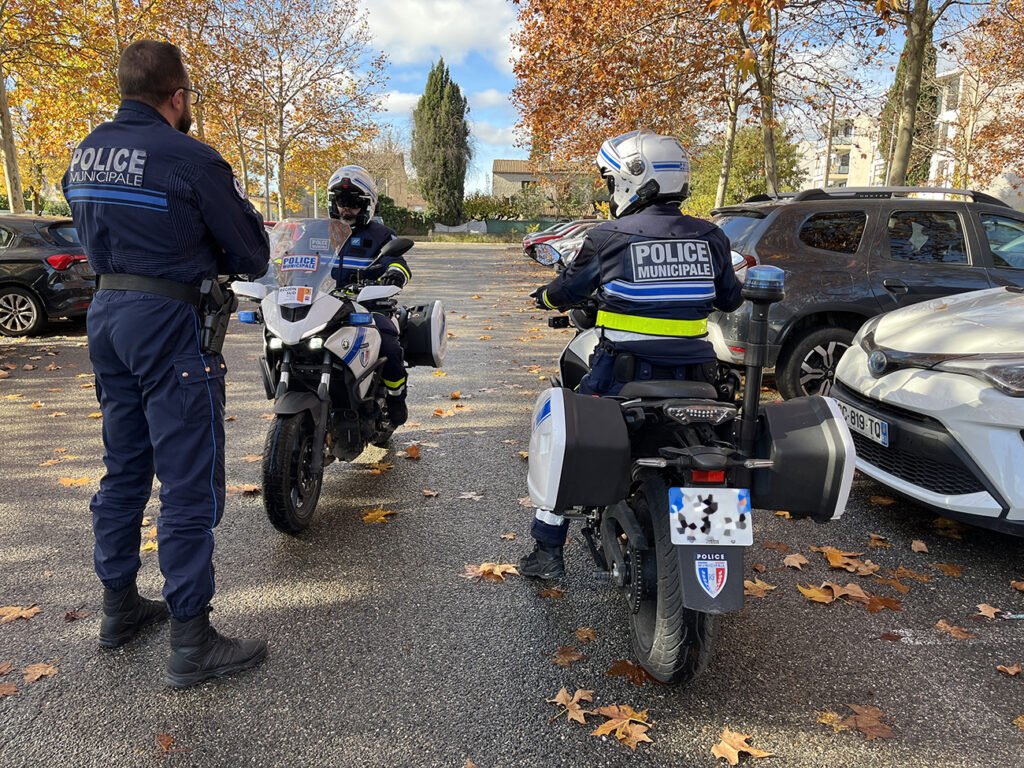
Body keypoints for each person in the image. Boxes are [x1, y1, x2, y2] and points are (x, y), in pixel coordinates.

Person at [62, 40, 271, 687]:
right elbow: (251, 253)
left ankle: (119, 608)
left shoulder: (85, 152)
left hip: (107, 317)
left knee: (124, 467)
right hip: (169, 325)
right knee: (187, 482)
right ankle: (191, 641)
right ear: (177, 96)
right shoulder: (190, 157)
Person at [520, 129, 744, 580]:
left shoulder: (609, 236)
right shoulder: (712, 236)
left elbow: (568, 290)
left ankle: (547, 551)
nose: (609, 191)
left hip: (621, 373)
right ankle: (714, 552)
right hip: (699, 374)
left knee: (566, 437)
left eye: (610, 181)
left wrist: (544, 297)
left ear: (632, 177)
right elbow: (730, 299)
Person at [327, 165, 411, 426]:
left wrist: (394, 273)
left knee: (388, 345)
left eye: (353, 203)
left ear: (367, 205)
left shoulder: (381, 235)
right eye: (341, 201)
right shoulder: (321, 232)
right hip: (326, 304)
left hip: (370, 305)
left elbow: (398, 262)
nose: (345, 209)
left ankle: (396, 398)